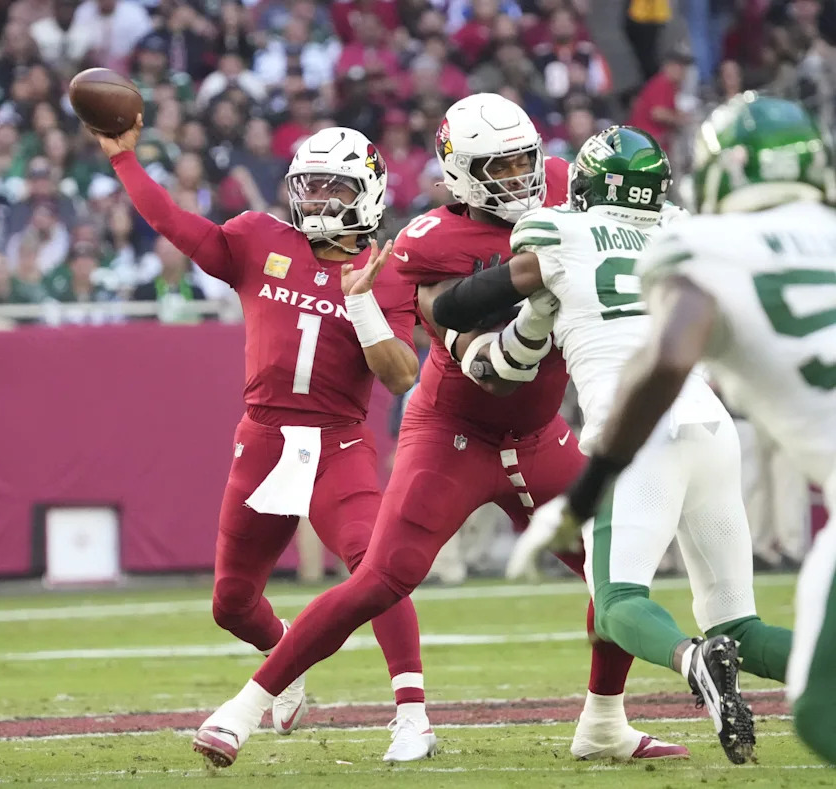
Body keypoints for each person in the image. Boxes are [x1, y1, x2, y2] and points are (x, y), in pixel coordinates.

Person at [192, 94, 686, 766]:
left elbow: (635, 196)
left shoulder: (570, 186)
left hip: (539, 436)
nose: (519, 178)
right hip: (454, 431)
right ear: (459, 174)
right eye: (499, 167)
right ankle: (243, 708)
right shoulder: (424, 245)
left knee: (617, 573)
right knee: (381, 576)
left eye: (524, 162)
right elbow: (463, 360)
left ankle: (603, 721)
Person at [509, 94, 836, 765]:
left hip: (646, 423)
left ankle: (690, 659)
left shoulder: (673, 242)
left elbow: (660, 355)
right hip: (713, 425)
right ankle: (691, 664)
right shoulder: (684, 225)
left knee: (619, 595)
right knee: (740, 621)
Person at [96, 116, 432, 763]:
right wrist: (125, 161)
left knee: (377, 565)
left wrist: (361, 302)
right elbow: (176, 224)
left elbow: (400, 372)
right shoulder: (257, 238)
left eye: (333, 190)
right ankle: (288, 655)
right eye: (309, 188)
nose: (318, 202)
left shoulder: (384, 269)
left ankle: (412, 712)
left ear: (364, 193)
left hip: (336, 441)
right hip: (265, 439)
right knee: (231, 603)